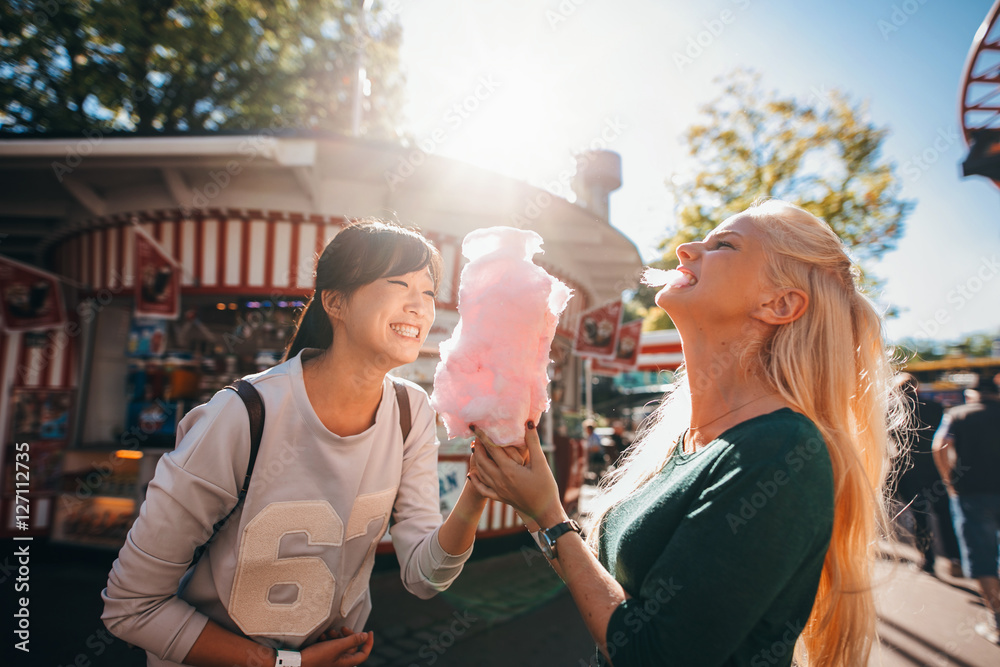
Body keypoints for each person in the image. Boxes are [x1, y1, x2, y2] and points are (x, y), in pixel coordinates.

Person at [469, 199, 902, 667]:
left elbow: (654, 656)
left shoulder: (780, 450)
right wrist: (533, 509)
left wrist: (549, 516)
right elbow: (617, 587)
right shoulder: (689, 439)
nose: (686, 248)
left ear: (780, 303)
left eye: (724, 245)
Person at [103, 220, 489, 667]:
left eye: (427, 291)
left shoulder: (411, 412)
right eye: (399, 283)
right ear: (335, 301)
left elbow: (424, 578)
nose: (420, 306)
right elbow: (132, 605)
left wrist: (477, 491)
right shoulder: (243, 414)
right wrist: (285, 664)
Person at [932, 374, 1000, 645]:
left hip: (971, 493)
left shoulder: (958, 414)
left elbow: (940, 446)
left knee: (981, 556)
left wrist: (949, 481)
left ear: (971, 394)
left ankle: (997, 619)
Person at [892, 373, 949, 575]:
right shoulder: (935, 407)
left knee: (919, 515)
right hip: (934, 467)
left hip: (908, 469)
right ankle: (954, 558)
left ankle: (928, 558)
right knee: (943, 512)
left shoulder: (892, 410)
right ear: (916, 388)